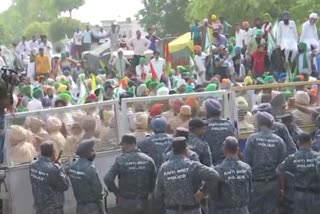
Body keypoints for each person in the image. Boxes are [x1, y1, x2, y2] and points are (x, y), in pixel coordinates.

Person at [154, 136, 220, 214]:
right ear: (186, 150)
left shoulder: (164, 168)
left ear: (172, 150)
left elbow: (158, 193)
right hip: (192, 210)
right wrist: (203, 192)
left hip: (171, 210)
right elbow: (214, 175)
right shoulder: (193, 165)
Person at [244, 111, 287, 214]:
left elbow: (247, 163)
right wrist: (282, 188)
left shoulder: (252, 139)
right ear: (271, 124)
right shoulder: (279, 140)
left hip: (255, 184)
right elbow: (282, 166)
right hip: (273, 183)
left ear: (258, 123)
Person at [104, 134, 156, 214]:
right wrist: (150, 193)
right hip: (144, 202)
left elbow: (107, 179)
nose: (122, 148)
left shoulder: (121, 160)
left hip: (126, 203)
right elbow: (154, 181)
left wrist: (117, 194)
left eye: (122, 145)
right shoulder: (149, 160)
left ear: (126, 144)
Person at [277, 132, 320, 214]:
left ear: (298, 143)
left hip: (298, 195)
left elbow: (279, 170)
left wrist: (289, 178)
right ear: (311, 141)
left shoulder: (292, 158)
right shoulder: (317, 157)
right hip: (315, 195)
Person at [212, 136, 252, 214]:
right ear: (237, 150)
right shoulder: (247, 168)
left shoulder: (218, 170)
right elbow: (250, 190)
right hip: (243, 210)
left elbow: (214, 194)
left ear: (224, 150)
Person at [29, 142, 69, 214]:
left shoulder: (33, 165)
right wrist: (60, 168)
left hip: (39, 207)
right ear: (53, 152)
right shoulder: (53, 169)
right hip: (53, 209)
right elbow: (64, 186)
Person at [68, 140, 105, 214]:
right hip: (92, 208)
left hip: (80, 207)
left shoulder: (72, 166)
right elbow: (97, 190)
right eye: (93, 151)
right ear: (87, 152)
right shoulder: (89, 168)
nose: (95, 153)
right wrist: (103, 193)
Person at [203, 98, 235, 165]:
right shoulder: (229, 124)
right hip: (228, 163)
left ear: (206, 111)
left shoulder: (204, 125)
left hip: (210, 164)